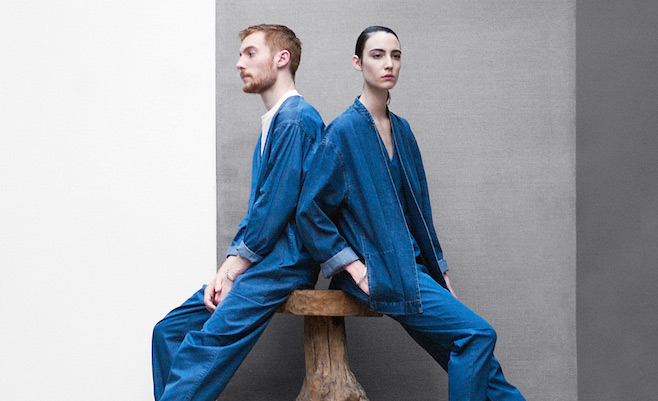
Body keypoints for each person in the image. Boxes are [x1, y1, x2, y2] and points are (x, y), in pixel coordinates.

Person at [296, 26, 526, 401]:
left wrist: (441, 272)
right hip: (382, 270)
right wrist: (354, 268)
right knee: (476, 335)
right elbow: (310, 211)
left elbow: (420, 212)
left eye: (396, 55)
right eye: (377, 55)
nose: (389, 63)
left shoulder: (402, 130)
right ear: (357, 63)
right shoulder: (342, 132)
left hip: (415, 269)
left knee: (484, 370)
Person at [152, 24, 323, 401]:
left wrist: (234, 270)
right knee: (168, 332)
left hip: (284, 263)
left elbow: (274, 211)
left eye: (250, 53)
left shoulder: (296, 120)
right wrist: (227, 267)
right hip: (262, 258)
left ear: (282, 59)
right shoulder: (276, 121)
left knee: (201, 350)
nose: (239, 63)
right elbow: (260, 210)